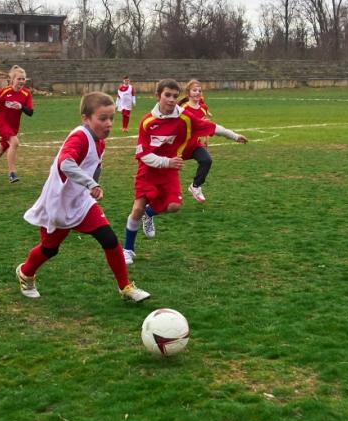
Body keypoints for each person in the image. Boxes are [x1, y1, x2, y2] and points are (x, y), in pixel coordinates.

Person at [16, 91, 151, 302]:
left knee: (109, 238)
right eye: (102, 118)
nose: (108, 124)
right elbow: (66, 163)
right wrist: (91, 183)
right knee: (50, 249)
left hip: (81, 201)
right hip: (60, 203)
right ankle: (25, 272)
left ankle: (125, 288)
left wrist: (93, 186)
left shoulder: (99, 141)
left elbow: (94, 166)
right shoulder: (80, 137)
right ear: (86, 119)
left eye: (111, 118)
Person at [122, 79, 248, 265]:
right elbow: (143, 155)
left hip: (169, 171)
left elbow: (213, 127)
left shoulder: (185, 117)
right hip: (148, 170)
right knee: (137, 209)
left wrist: (235, 136)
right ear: (158, 96)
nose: (171, 99)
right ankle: (128, 249)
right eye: (167, 95)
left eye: (174, 96)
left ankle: (150, 214)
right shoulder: (147, 121)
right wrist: (167, 161)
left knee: (174, 206)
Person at [178, 79, 214, 202]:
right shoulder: (182, 108)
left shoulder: (203, 108)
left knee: (207, 160)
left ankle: (195, 186)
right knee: (169, 170)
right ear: (188, 92)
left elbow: (203, 126)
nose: (197, 92)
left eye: (199, 90)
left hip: (194, 145)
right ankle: (166, 194)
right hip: (179, 146)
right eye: (194, 90)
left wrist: (206, 139)